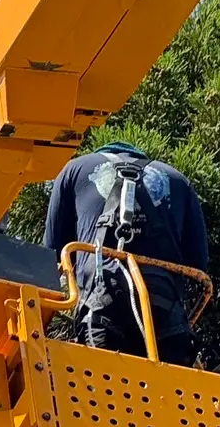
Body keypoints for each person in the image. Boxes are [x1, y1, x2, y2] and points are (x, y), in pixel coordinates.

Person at [43, 141, 208, 365]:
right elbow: (198, 263)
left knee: (101, 385)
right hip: (165, 307)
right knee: (171, 390)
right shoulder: (177, 179)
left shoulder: (75, 169)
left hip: (101, 299)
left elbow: (51, 254)